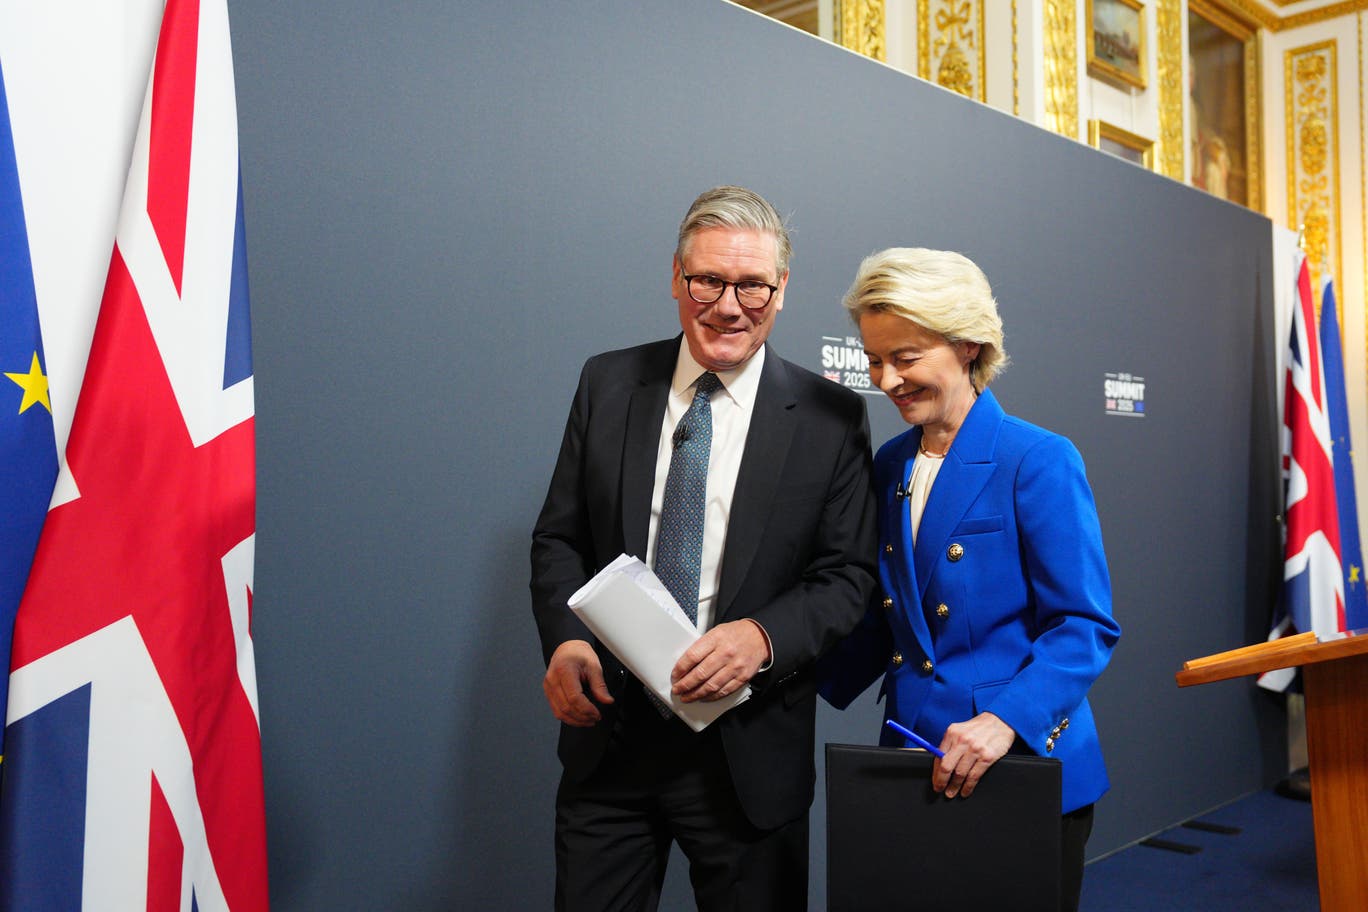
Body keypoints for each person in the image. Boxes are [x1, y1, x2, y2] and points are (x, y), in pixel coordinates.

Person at [530, 185, 877, 912]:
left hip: (749, 755)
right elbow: (560, 538)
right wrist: (566, 642)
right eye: (708, 281)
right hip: (611, 746)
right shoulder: (608, 382)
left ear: (781, 289)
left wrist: (761, 636)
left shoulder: (830, 417)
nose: (727, 305)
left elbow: (847, 576)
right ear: (676, 280)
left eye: (751, 284)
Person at [820, 247, 1121, 912]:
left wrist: (1003, 720)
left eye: (905, 356)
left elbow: (1084, 626)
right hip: (913, 759)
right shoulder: (891, 463)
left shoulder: (1037, 459)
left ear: (968, 343)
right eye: (874, 359)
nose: (886, 378)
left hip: (1019, 765)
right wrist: (775, 662)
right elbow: (892, 618)